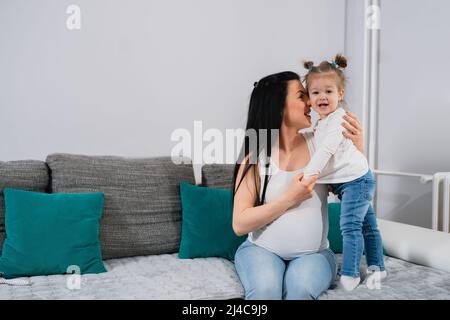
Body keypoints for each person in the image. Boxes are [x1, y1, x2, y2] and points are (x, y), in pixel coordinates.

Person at [232, 71, 365, 300]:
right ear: (279, 106)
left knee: (299, 290)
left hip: (314, 255)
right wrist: (289, 199)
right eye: (302, 96)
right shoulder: (255, 157)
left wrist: (358, 146)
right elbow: (239, 224)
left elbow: (355, 191)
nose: (311, 103)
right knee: (265, 291)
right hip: (261, 250)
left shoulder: (322, 145)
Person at [302, 55, 386, 291]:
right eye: (315, 93)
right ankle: (378, 267)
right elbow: (316, 141)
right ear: (309, 99)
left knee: (349, 226)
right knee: (369, 226)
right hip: (349, 181)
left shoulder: (340, 119)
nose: (322, 97)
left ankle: (350, 274)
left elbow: (326, 150)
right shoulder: (321, 123)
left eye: (328, 91)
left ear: (340, 94)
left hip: (356, 181)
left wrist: (310, 174)